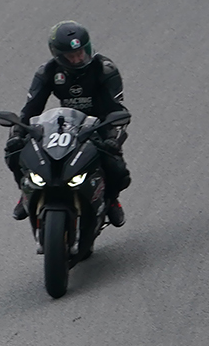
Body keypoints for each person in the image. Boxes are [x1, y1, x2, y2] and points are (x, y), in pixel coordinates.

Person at [7, 20, 131, 226]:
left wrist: (113, 138)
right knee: (14, 152)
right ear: (58, 55)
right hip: (67, 124)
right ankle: (26, 191)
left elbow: (115, 109)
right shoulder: (47, 72)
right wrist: (18, 133)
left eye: (81, 52)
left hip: (101, 125)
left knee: (116, 168)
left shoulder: (105, 69)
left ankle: (111, 200)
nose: (78, 58)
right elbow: (31, 109)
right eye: (71, 56)